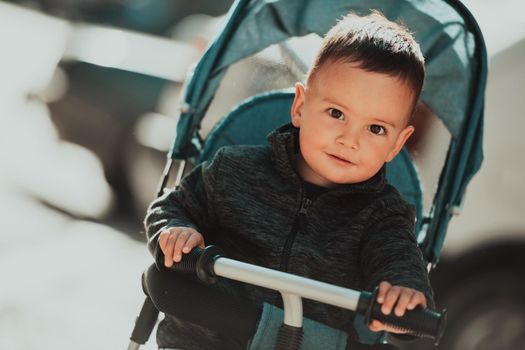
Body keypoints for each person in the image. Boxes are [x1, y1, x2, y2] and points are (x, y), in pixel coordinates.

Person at [144, 10, 434, 350]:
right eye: (336, 113)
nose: (350, 139)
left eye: (376, 129)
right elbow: (171, 207)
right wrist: (176, 230)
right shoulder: (233, 170)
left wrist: (402, 295)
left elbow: (398, 260)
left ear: (397, 145)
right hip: (202, 338)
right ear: (300, 106)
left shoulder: (383, 217)